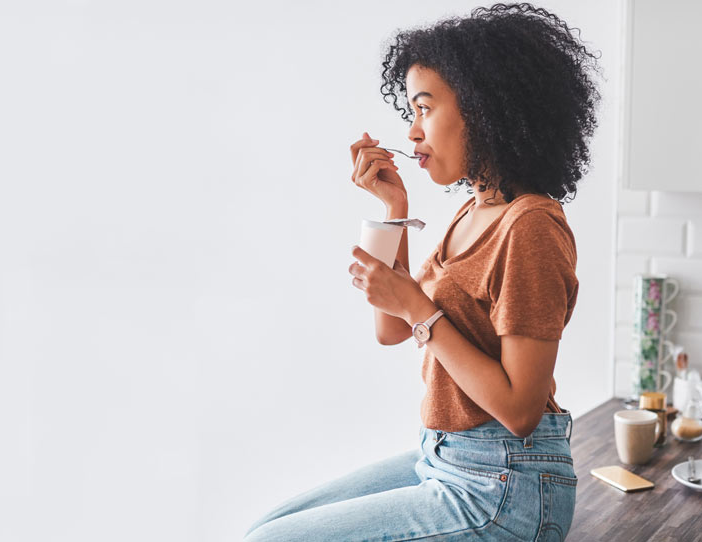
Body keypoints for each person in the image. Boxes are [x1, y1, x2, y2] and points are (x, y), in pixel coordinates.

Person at [244, 3, 601, 540]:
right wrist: (394, 209)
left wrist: (415, 304)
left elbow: (520, 409)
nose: (411, 132)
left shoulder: (529, 227)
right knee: (270, 525)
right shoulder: (474, 209)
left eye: (424, 108)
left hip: (508, 487)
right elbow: (392, 329)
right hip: (446, 456)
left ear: (484, 108)